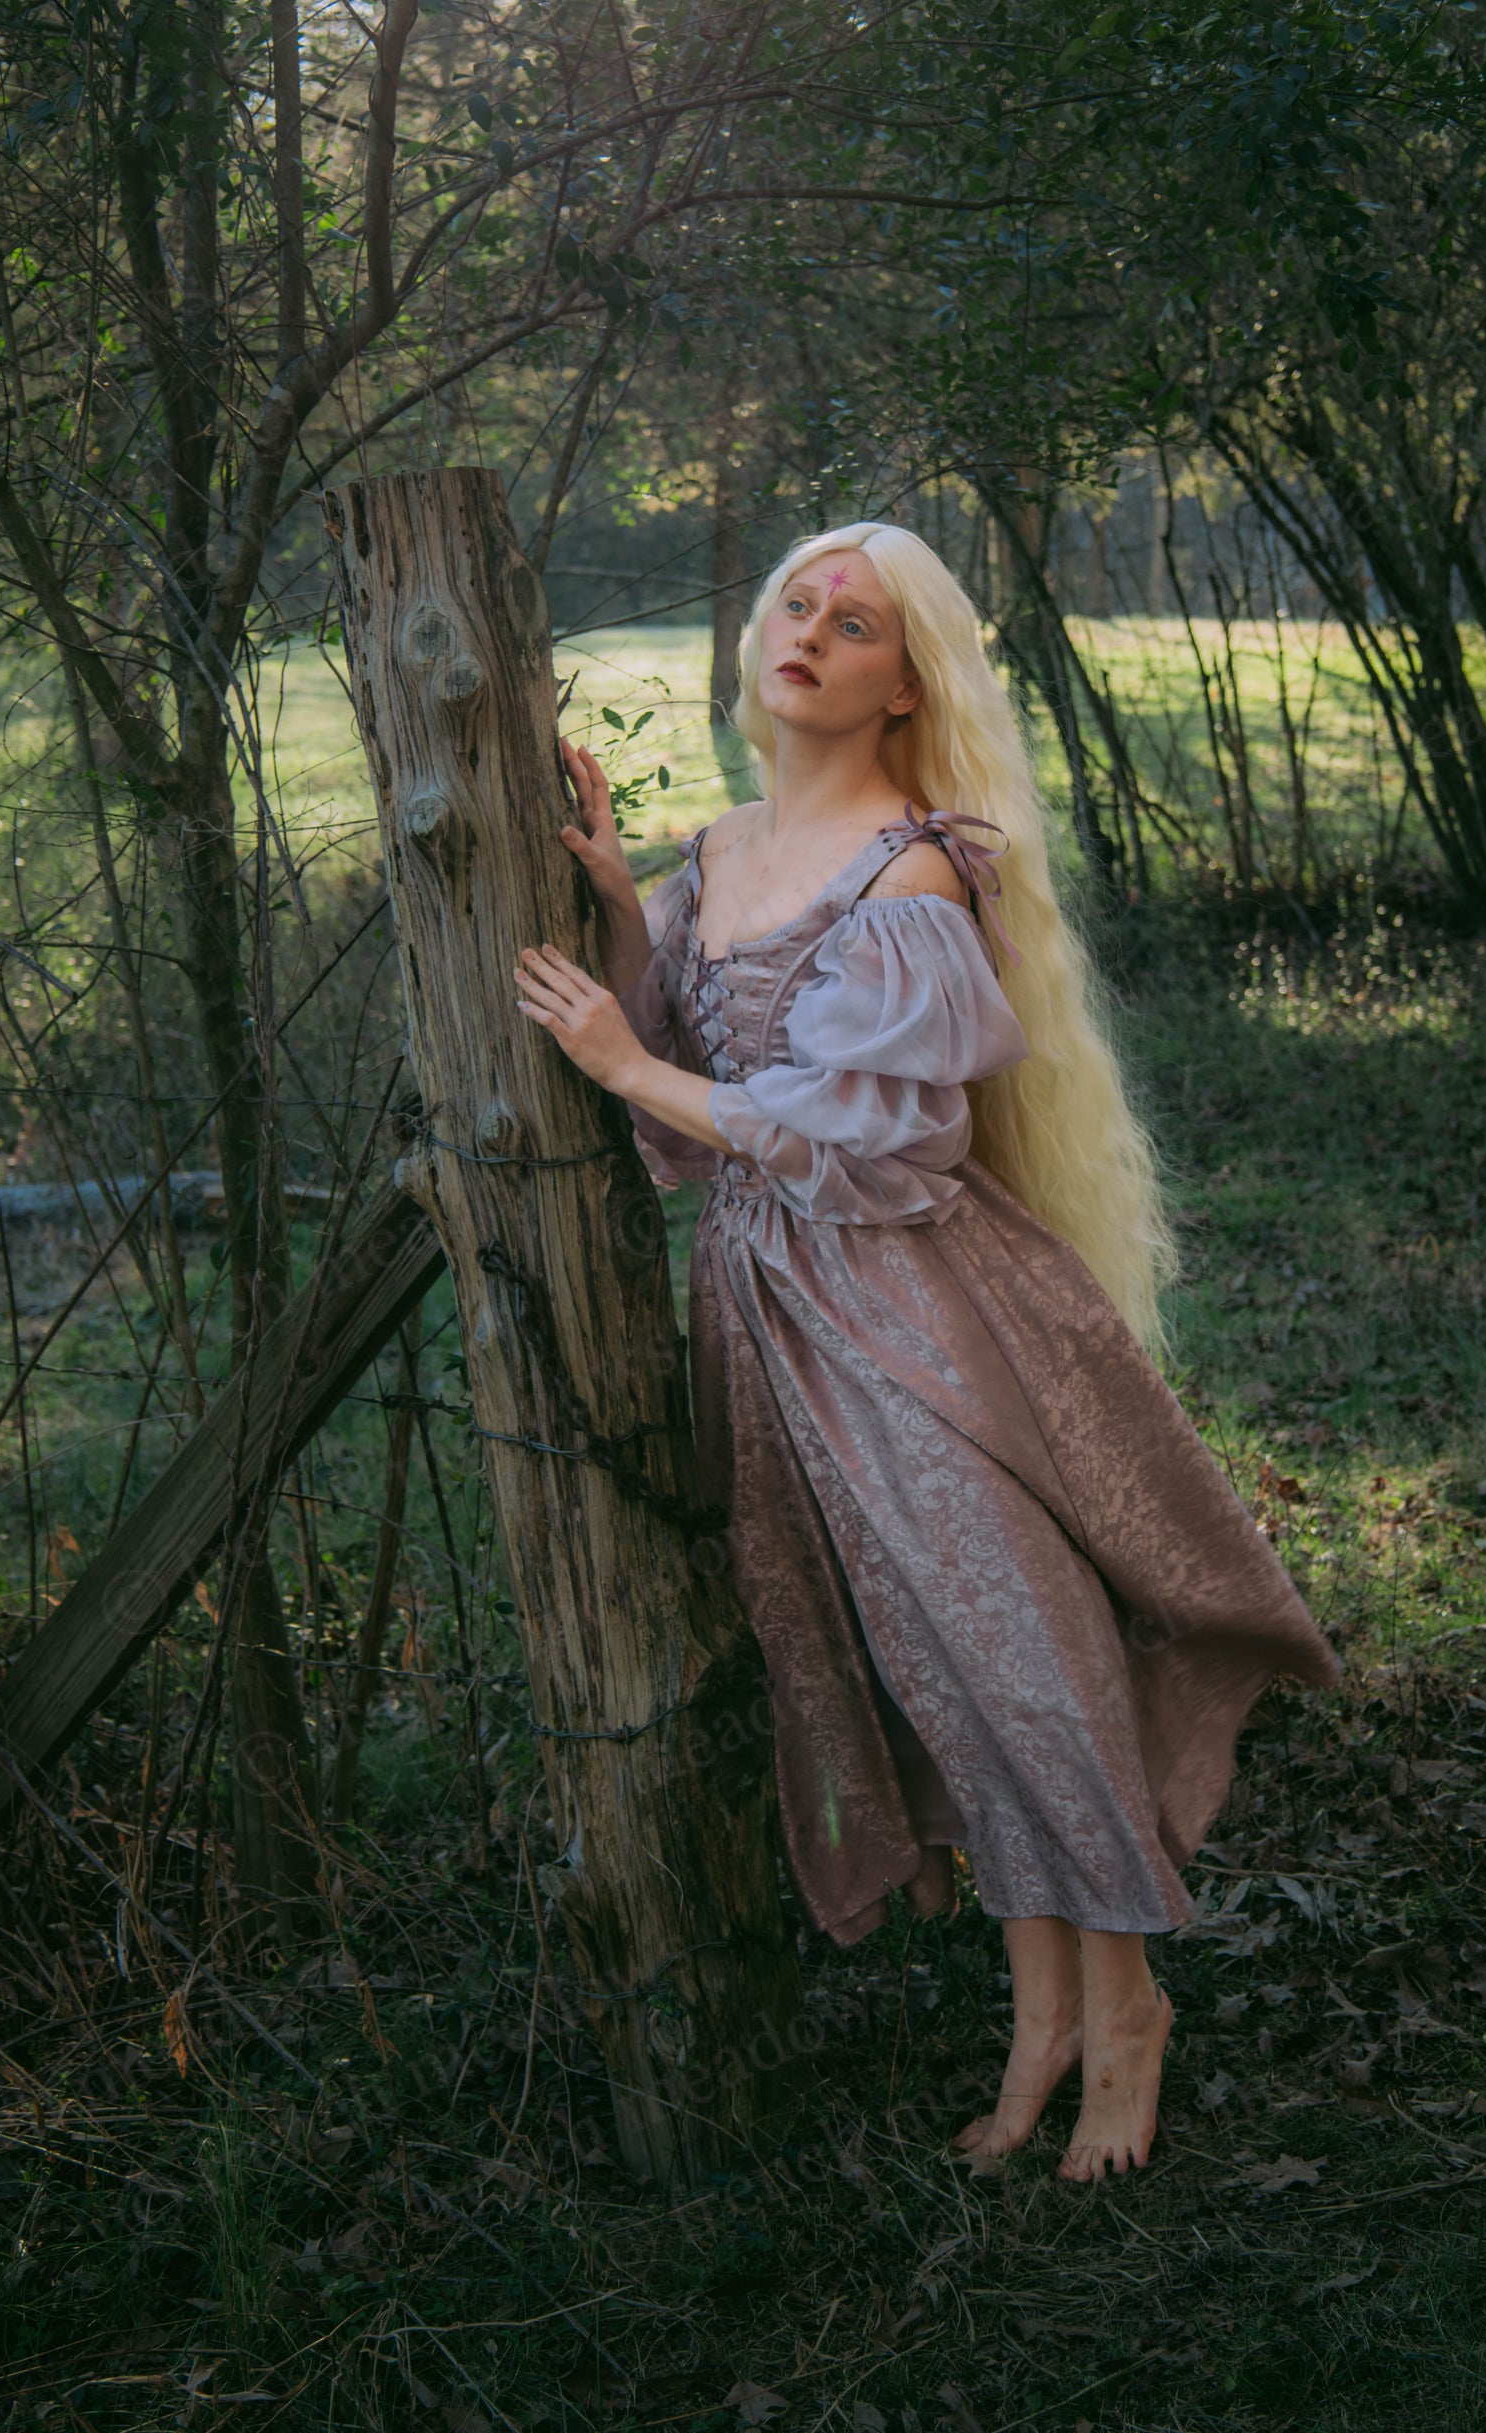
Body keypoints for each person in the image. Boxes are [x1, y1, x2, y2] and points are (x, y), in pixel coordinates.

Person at [511, 522, 1339, 2179]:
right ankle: (1037, 2014)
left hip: (910, 1310)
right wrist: (620, 915)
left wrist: (619, 1065)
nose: (809, 631)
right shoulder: (725, 847)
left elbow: (861, 1138)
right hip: (771, 1326)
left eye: (858, 622)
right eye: (795, 604)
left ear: (907, 684)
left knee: (1018, 1648)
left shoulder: (906, 867)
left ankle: (1129, 2013)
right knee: (933, 1666)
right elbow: (699, 1091)